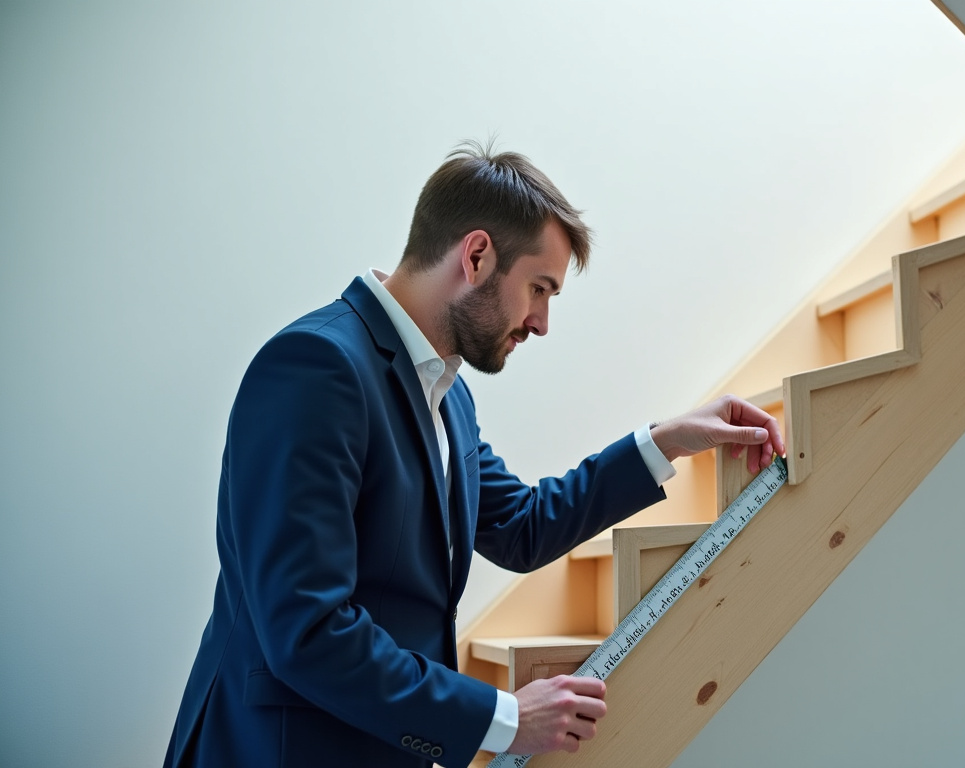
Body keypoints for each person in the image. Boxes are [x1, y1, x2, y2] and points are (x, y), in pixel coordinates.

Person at [162, 142, 785, 768]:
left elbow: (519, 526)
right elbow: (307, 631)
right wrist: (506, 718)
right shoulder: (317, 368)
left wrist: (669, 439)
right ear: (478, 255)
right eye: (539, 289)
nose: (541, 322)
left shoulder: (447, 393)